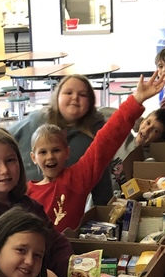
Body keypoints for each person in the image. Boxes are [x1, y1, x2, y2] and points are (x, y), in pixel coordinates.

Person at [26, 71, 165, 233]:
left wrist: (135, 100)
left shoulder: (77, 178)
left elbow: (106, 141)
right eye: (43, 152)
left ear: (67, 153)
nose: (50, 156)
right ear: (33, 157)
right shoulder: (24, 194)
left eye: (56, 150)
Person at [0, 126, 73, 277]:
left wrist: (76, 272)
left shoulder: (30, 206)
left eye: (10, 160)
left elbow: (56, 244)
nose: (4, 170)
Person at [7, 74, 115, 204]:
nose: (75, 97)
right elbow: (3, 140)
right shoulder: (36, 120)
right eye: (68, 92)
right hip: (23, 201)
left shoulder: (93, 135)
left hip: (63, 208)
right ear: (57, 96)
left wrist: (105, 211)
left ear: (90, 102)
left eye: (82, 95)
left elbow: (101, 181)